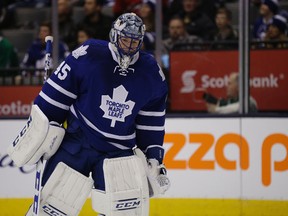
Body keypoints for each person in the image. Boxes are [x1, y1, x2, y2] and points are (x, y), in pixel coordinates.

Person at [8, 12, 170, 216]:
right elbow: (56, 94)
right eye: (125, 40)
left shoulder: (151, 72)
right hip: (78, 142)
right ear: (114, 35)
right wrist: (41, 129)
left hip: (119, 152)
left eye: (134, 42)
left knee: (125, 213)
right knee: (52, 209)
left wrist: (153, 155)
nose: (129, 46)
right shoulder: (89, 54)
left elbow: (152, 119)